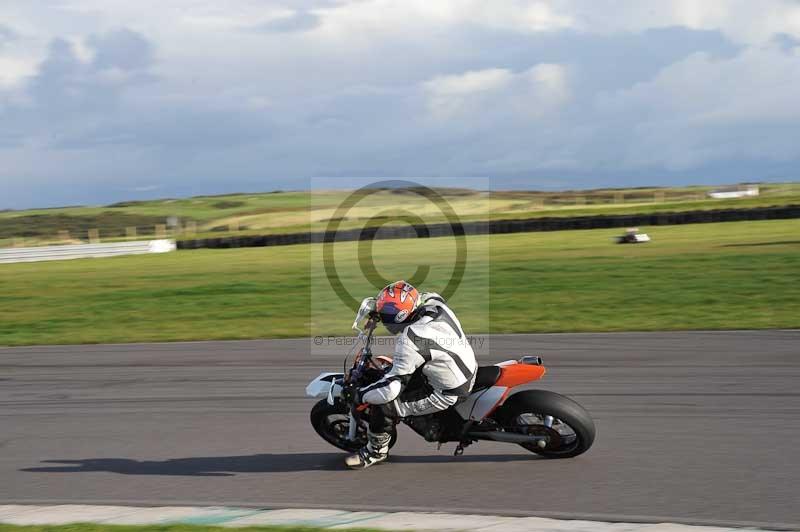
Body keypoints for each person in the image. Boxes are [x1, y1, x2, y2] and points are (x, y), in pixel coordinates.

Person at [345, 280, 477, 469]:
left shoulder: (411, 339)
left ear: (398, 316)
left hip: (449, 390)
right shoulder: (434, 302)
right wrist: (378, 312)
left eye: (387, 313)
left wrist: (359, 395)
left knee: (385, 406)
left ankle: (375, 452)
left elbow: (391, 389)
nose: (383, 315)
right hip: (462, 364)